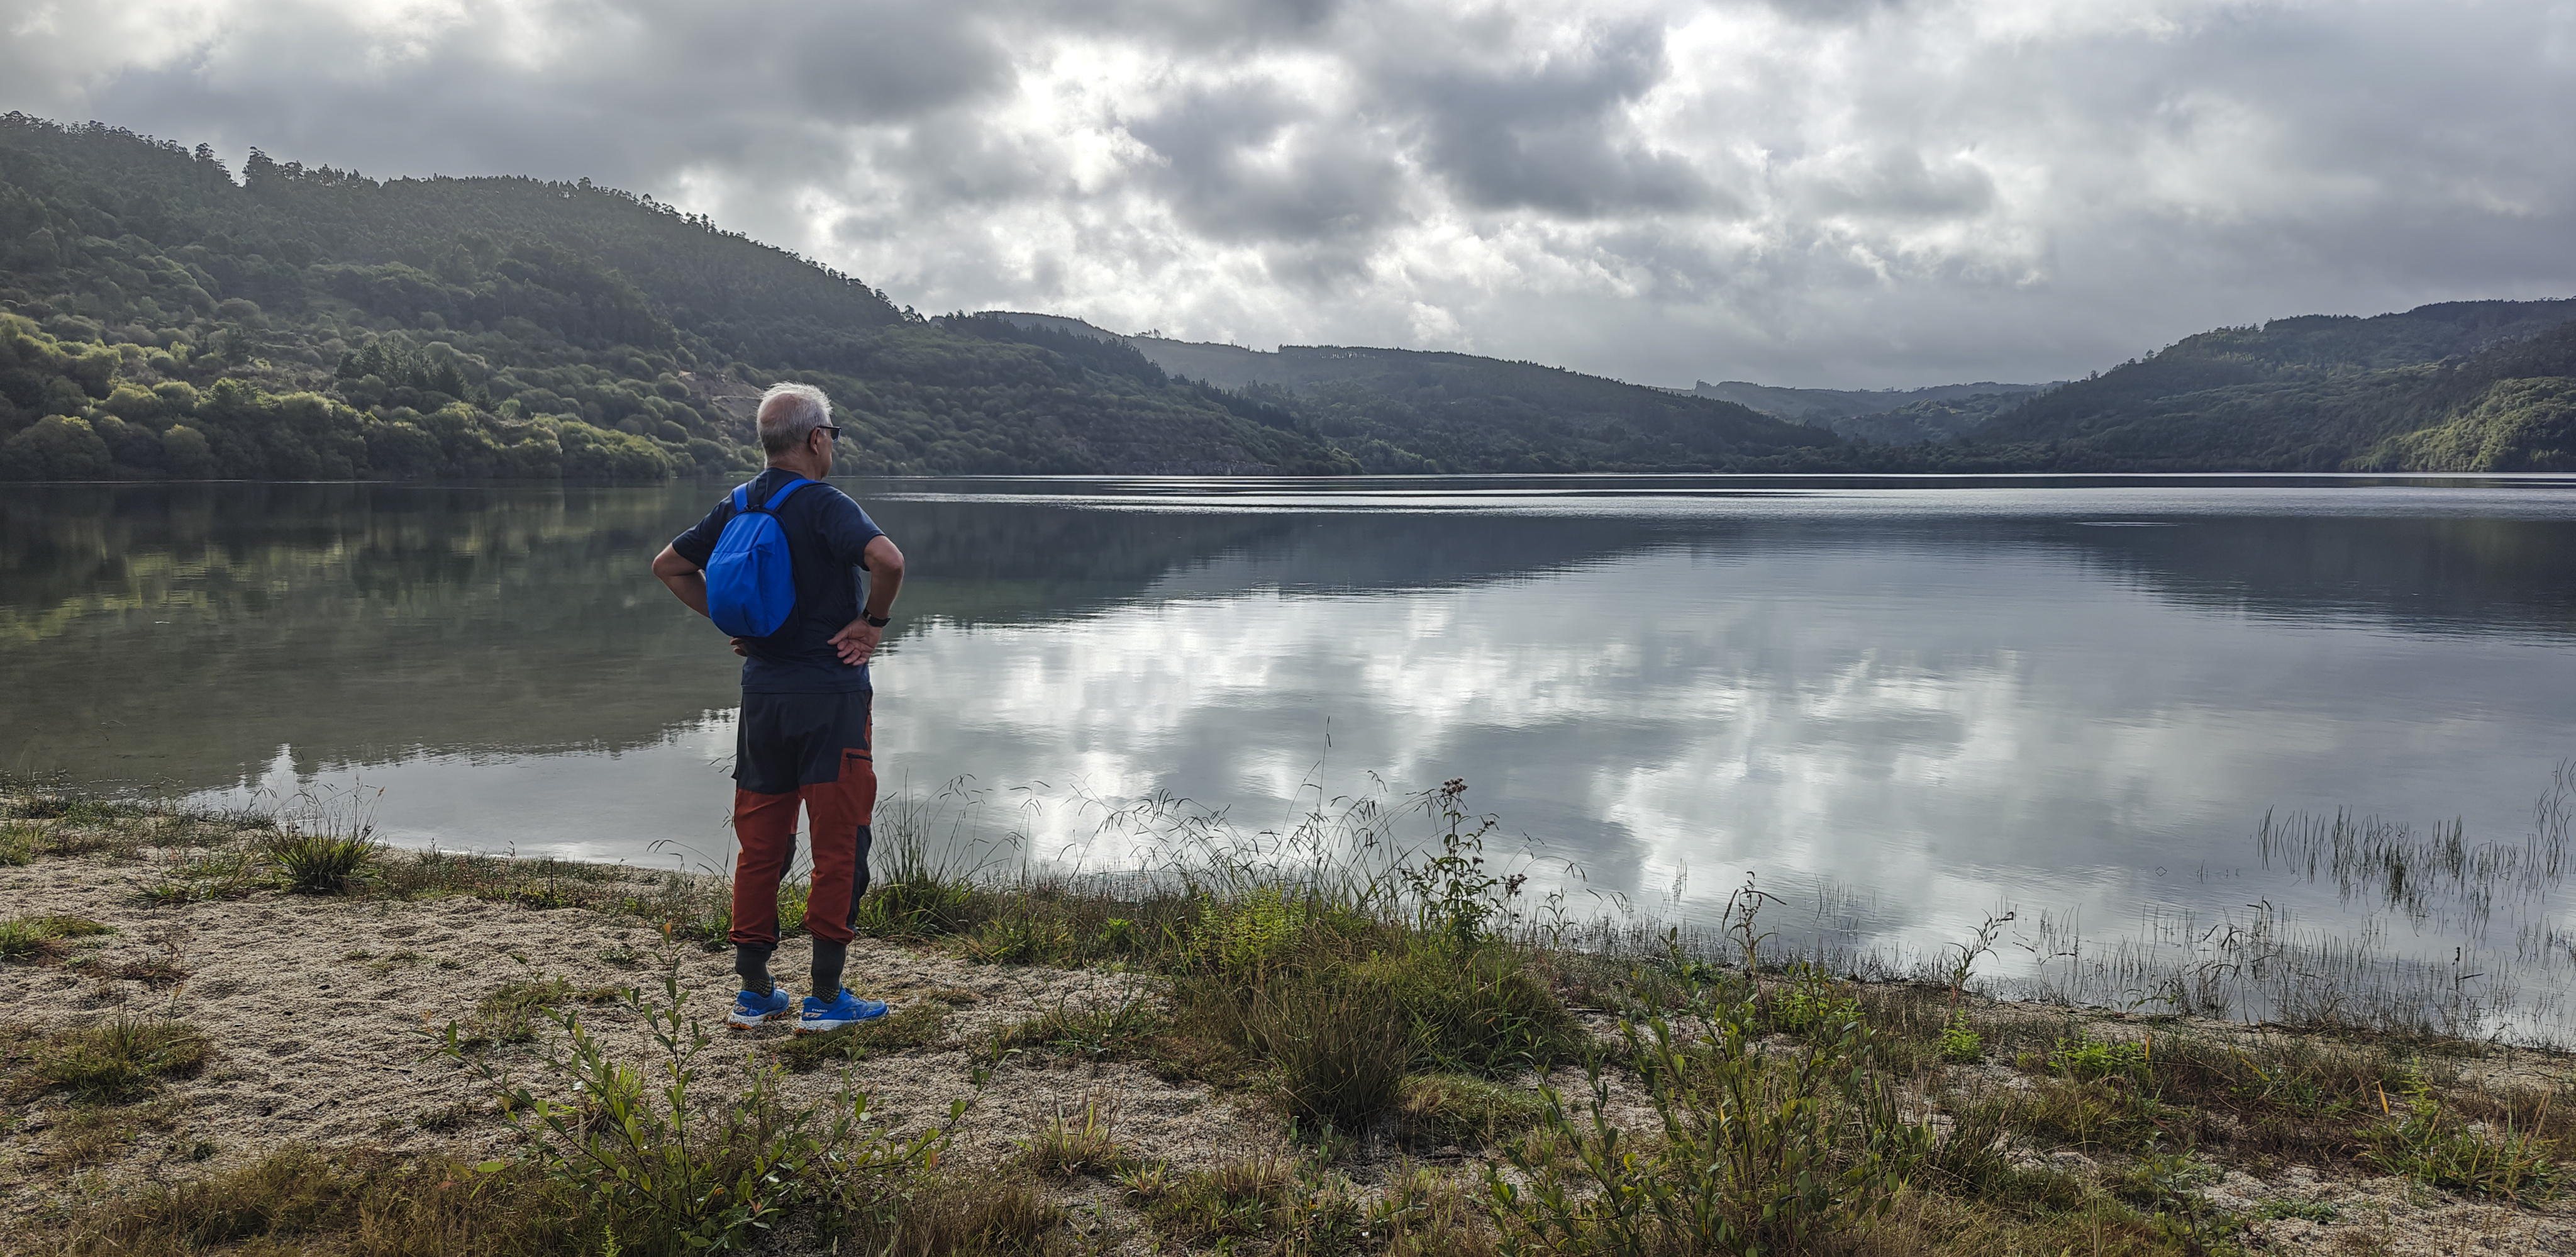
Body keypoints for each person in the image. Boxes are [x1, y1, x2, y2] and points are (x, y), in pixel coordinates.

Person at [651, 382, 905, 1032]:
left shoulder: (738, 504)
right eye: (833, 436)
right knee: (840, 843)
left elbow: (669, 567)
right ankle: (826, 997)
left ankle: (755, 993)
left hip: (762, 700)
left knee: (760, 845)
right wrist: (872, 623)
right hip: (831, 701)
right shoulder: (824, 504)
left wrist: (734, 621)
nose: (832, 446)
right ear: (817, 439)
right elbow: (888, 561)